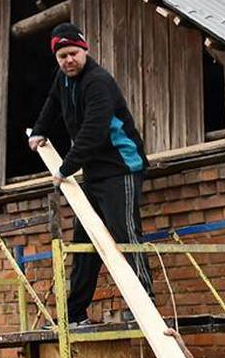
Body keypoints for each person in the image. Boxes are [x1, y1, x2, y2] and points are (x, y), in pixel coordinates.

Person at [29, 21, 153, 326]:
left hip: (121, 168)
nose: (68, 60)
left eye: (73, 53)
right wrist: (40, 130)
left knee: (124, 234)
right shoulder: (63, 79)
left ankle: (145, 308)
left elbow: (94, 130)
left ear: (84, 50)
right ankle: (75, 314)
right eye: (62, 56)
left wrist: (66, 167)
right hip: (94, 172)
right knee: (85, 243)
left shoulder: (97, 82)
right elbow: (52, 103)